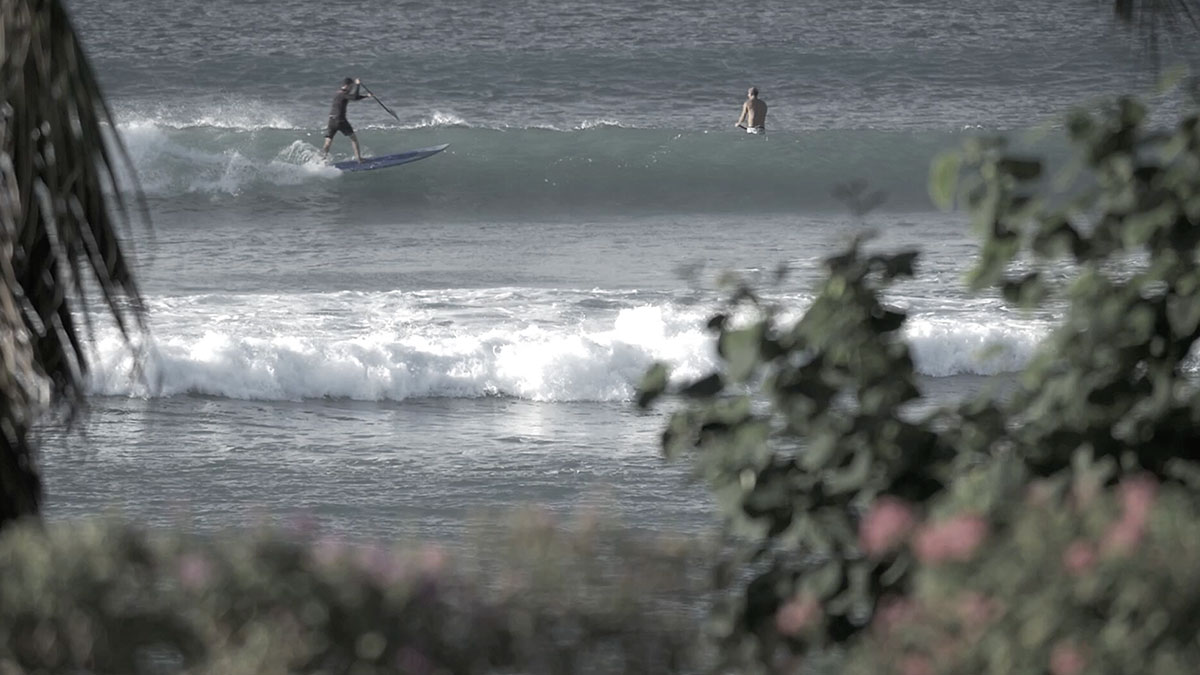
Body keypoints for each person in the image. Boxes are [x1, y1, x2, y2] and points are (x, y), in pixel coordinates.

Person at [321, 77, 373, 162]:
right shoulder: (344, 94)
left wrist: (366, 96)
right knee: (354, 139)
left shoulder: (338, 93)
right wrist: (358, 85)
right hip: (340, 121)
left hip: (331, 120)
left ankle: (322, 160)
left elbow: (353, 97)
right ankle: (359, 159)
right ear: (347, 86)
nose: (352, 88)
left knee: (328, 142)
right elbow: (354, 97)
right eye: (351, 87)